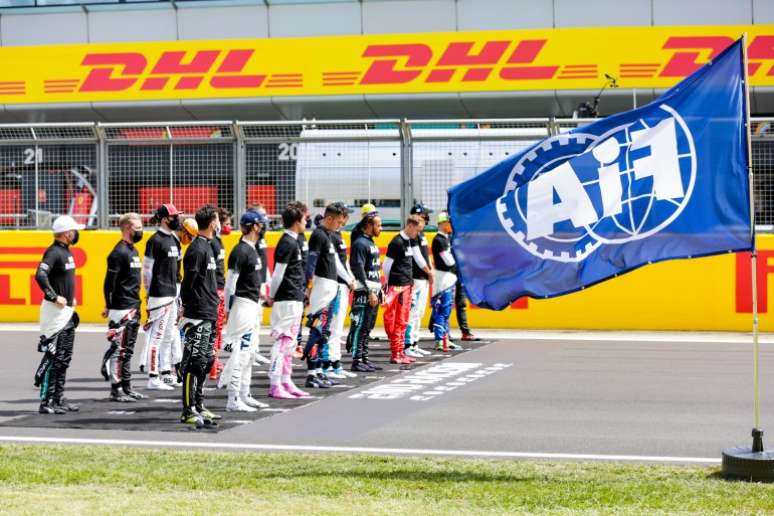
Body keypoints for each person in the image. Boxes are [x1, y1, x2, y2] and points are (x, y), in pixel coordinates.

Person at [34, 215, 83, 415]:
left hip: (67, 312)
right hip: (55, 313)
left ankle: (58, 398)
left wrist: (70, 300)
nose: (76, 233)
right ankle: (46, 402)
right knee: (54, 356)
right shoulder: (54, 252)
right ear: (65, 233)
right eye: (73, 230)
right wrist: (54, 297)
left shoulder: (66, 252)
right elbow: (40, 274)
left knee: (64, 357)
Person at [221, 210, 270, 412]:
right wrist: (227, 309)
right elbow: (230, 285)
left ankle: (245, 393)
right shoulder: (240, 250)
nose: (263, 227)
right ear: (253, 226)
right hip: (242, 305)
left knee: (249, 353)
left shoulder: (253, 249)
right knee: (240, 354)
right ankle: (233, 398)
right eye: (260, 224)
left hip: (252, 305)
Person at [179, 205, 221, 427]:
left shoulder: (208, 247)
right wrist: (185, 307)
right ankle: (188, 410)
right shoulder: (197, 249)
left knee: (206, 361)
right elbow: (189, 282)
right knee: (195, 363)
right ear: (212, 223)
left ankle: (199, 404)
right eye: (217, 220)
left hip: (210, 312)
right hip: (198, 314)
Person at [303, 202, 353, 388]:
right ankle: (311, 373)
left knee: (324, 332)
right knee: (316, 330)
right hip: (321, 287)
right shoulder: (318, 235)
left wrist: (348, 279)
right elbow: (312, 263)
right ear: (329, 218)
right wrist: (308, 287)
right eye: (338, 222)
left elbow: (336, 263)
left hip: (331, 287)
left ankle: (319, 370)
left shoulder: (328, 235)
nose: (340, 225)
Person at [267, 202, 310, 399]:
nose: (306, 222)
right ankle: (275, 383)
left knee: (291, 343)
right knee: (283, 342)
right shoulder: (287, 242)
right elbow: (277, 274)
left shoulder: (296, 240)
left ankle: (286, 380)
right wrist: (272, 295)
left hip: (295, 297)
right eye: (304, 219)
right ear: (295, 222)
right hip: (286, 299)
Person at [100, 213, 145, 402]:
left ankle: (127, 387)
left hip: (134, 304)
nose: (141, 230)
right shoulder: (118, 253)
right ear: (127, 228)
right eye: (137, 227)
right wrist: (108, 305)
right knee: (119, 349)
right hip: (121, 307)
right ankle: (115, 389)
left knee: (129, 349)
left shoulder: (133, 250)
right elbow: (109, 282)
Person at [139, 204, 183, 390]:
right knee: (156, 337)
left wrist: (179, 296)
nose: (177, 219)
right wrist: (149, 292)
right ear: (165, 219)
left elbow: (177, 269)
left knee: (169, 336)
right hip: (159, 295)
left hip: (172, 294)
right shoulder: (155, 240)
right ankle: (152, 377)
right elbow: (147, 270)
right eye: (174, 216)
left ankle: (166, 373)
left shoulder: (175, 239)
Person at [383, 217, 427, 364]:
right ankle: (395, 353)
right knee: (397, 320)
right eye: (417, 230)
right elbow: (386, 265)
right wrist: (390, 284)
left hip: (407, 286)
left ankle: (401, 352)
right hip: (397, 286)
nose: (418, 234)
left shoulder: (409, 241)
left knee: (403, 321)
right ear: (409, 226)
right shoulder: (396, 242)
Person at [346, 213, 383, 372]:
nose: (380, 229)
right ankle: (356, 360)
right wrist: (369, 292)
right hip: (364, 293)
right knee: (360, 327)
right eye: (378, 225)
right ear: (368, 225)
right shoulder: (360, 243)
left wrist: (379, 290)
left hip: (373, 291)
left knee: (368, 327)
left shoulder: (370, 242)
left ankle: (364, 358)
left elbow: (373, 270)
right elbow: (358, 268)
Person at [325, 204, 357, 379]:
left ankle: (336, 363)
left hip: (343, 284)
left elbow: (343, 262)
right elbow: (336, 264)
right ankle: (329, 364)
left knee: (338, 329)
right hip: (336, 285)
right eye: (343, 216)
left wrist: (351, 279)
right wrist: (349, 279)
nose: (345, 220)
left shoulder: (338, 235)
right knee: (333, 327)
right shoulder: (329, 236)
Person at [404, 204, 433, 358]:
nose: (427, 219)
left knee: (419, 312)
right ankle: (407, 344)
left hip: (423, 278)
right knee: (413, 312)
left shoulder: (421, 235)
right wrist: (428, 271)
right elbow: (417, 256)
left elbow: (424, 256)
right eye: (424, 216)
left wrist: (429, 271)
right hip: (416, 278)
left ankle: (414, 343)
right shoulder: (412, 235)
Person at [208, 207, 231, 381]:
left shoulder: (219, 241)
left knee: (219, 327)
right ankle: (212, 363)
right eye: (226, 223)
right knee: (215, 328)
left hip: (221, 288)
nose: (229, 226)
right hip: (215, 290)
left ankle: (215, 360)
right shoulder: (212, 242)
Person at [431, 212, 460, 352]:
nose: (451, 225)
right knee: (442, 310)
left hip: (447, 278)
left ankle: (445, 339)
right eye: (449, 223)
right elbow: (448, 261)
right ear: (442, 224)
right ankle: (440, 340)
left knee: (446, 310)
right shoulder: (439, 240)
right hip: (443, 279)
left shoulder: (445, 239)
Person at [250, 202, 272, 366]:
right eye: (262, 215)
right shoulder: (253, 240)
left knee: (257, 321)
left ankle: (255, 351)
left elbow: (264, 262)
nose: (265, 218)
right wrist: (259, 285)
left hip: (262, 283)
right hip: (254, 286)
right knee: (252, 321)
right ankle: (250, 352)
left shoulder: (262, 238)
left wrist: (267, 281)